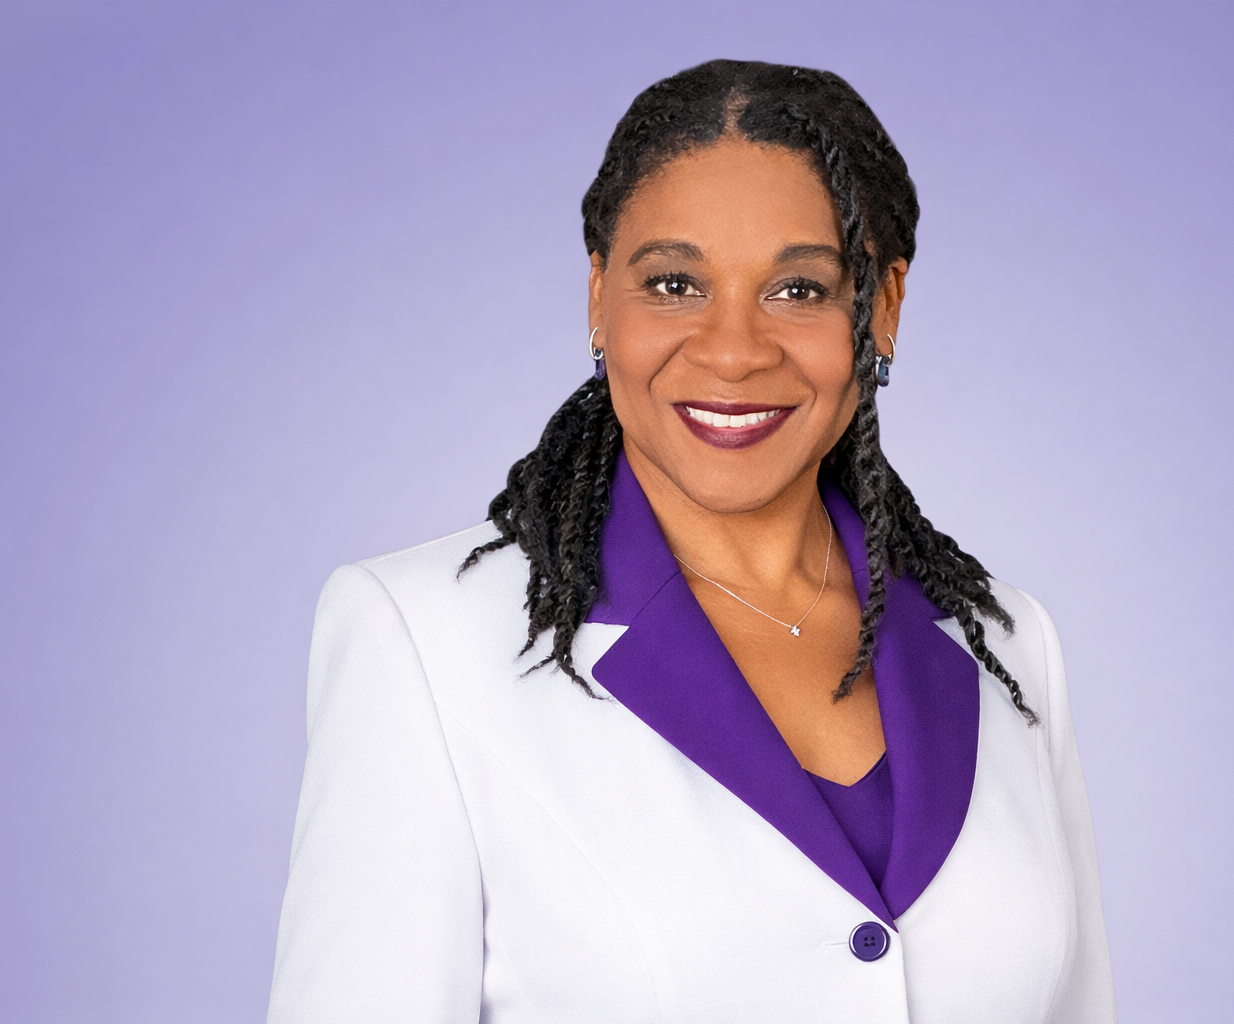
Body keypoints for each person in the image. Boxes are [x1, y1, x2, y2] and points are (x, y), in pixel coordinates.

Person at [267, 59, 1115, 1023]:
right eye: (674, 283)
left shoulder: (1007, 645)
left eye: (798, 289)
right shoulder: (420, 641)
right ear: (599, 297)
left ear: (882, 307)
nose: (733, 350)